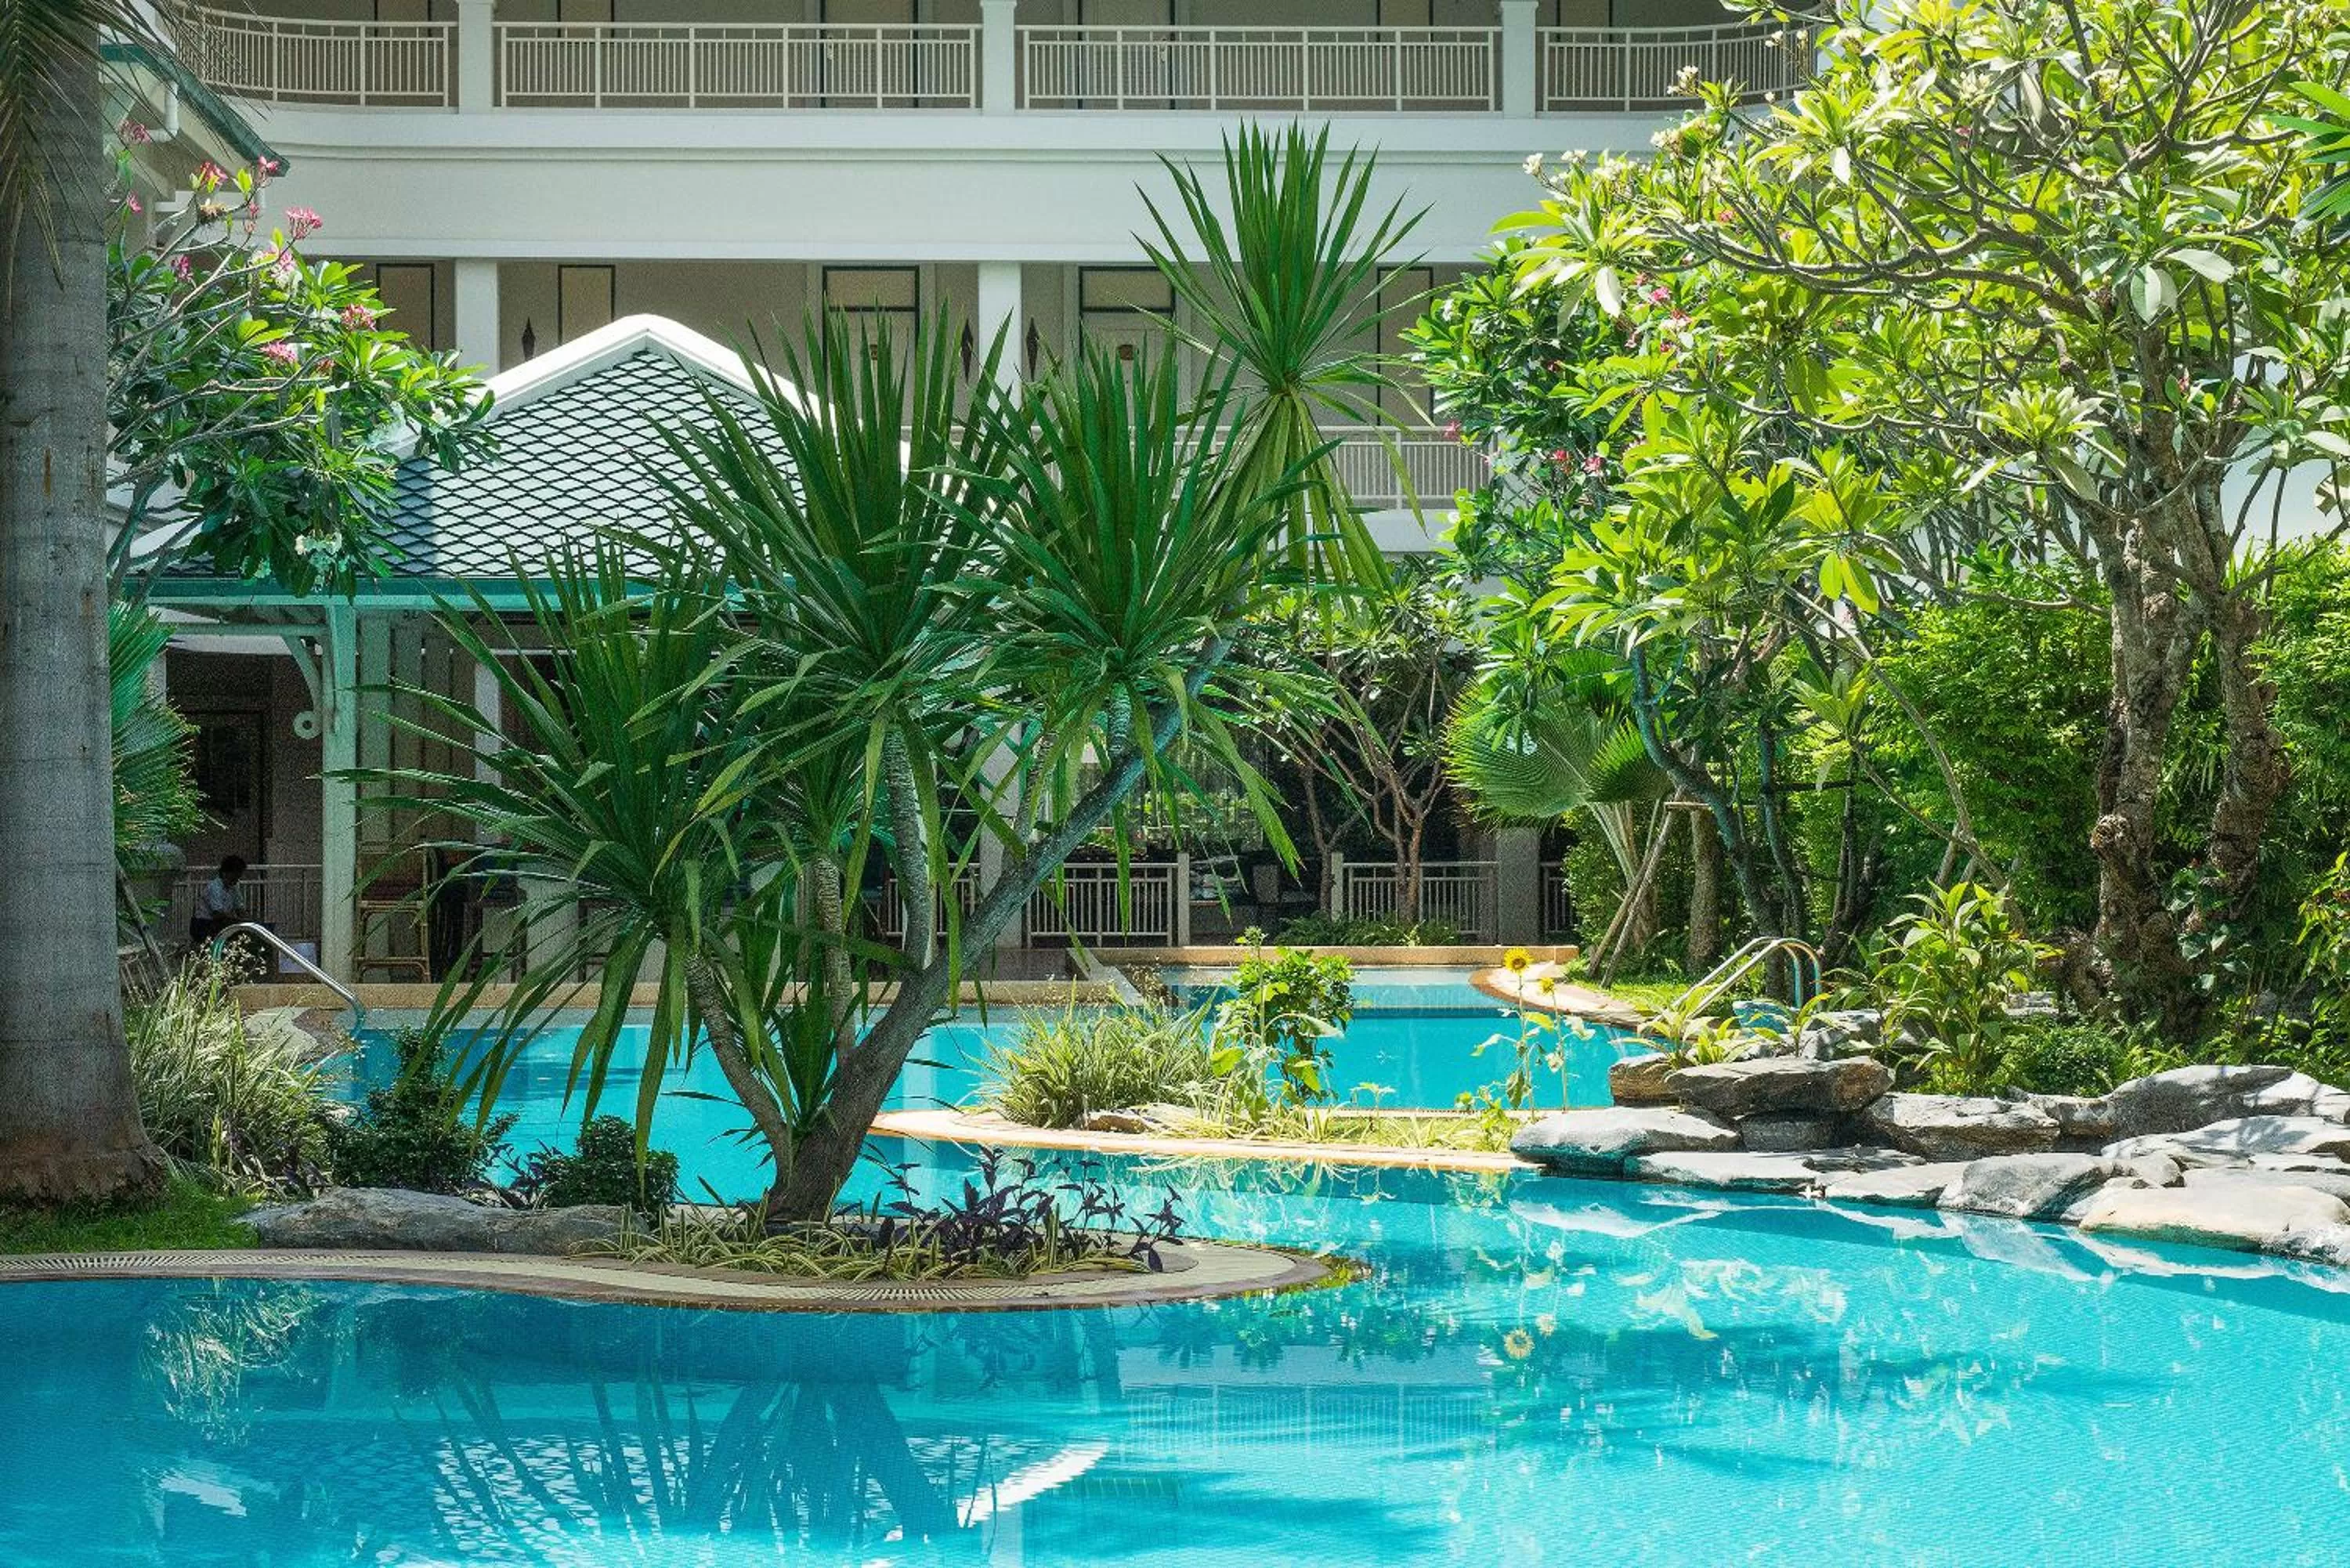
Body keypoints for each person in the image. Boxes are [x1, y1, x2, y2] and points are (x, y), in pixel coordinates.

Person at [190, 854, 248, 945]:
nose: (237, 880)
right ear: (225, 873)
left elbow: (240, 908)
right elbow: (218, 914)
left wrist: (249, 921)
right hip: (204, 924)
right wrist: (238, 920)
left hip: (219, 924)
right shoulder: (214, 887)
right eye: (235, 876)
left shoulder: (233, 887)